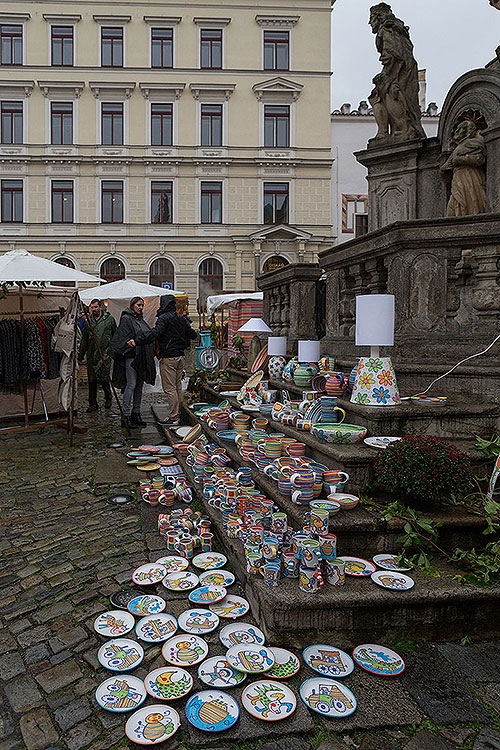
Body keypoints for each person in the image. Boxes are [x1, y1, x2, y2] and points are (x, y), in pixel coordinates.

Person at [129, 295, 197, 426]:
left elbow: (155, 334)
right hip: (180, 356)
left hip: (168, 357)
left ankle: (173, 417)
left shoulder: (163, 318)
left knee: (170, 388)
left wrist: (137, 341)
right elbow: (192, 334)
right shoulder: (180, 318)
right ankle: (178, 413)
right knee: (177, 387)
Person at [110, 297, 156, 427]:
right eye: (138, 305)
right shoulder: (126, 318)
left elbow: (146, 335)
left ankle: (136, 413)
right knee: (131, 384)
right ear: (132, 305)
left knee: (139, 386)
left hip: (142, 357)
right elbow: (122, 338)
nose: (141, 307)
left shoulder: (139, 319)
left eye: (142, 305)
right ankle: (126, 416)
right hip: (131, 357)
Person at [439, 120, 487, 217]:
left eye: (460, 129)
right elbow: (450, 164)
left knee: (470, 201)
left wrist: (459, 160)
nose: (456, 131)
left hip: (470, 176)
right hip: (457, 178)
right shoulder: (459, 147)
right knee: (454, 206)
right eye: (456, 129)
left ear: (468, 131)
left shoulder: (474, 143)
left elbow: (479, 159)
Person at [78, 299, 116, 412]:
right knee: (92, 380)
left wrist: (113, 352)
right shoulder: (89, 322)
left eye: (95, 307)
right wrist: (80, 356)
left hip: (105, 354)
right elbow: (84, 340)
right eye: (92, 308)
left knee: (104, 378)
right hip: (92, 354)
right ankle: (93, 403)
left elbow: (115, 336)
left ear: (100, 307)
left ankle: (108, 397)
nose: (94, 309)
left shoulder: (109, 320)